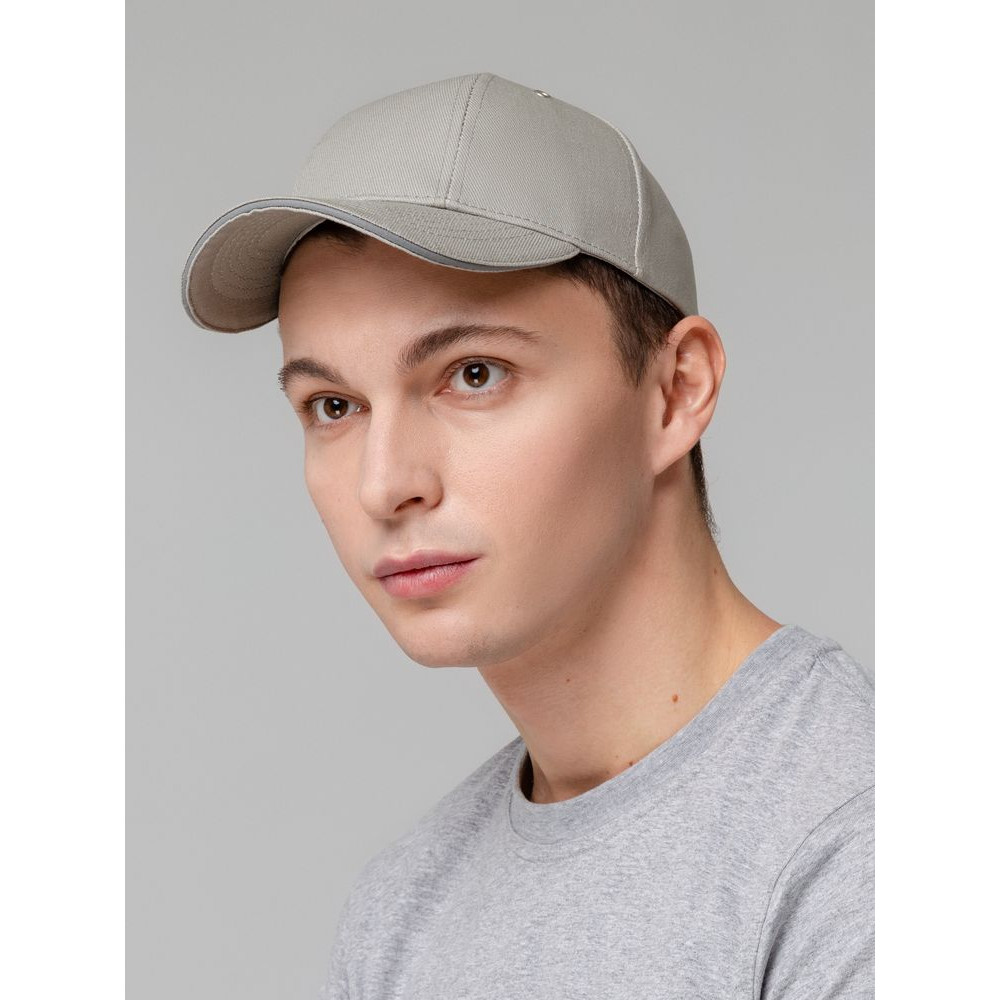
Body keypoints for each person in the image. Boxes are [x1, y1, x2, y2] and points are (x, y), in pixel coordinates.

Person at [182, 72, 873, 999]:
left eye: (474, 374)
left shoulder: (861, 844)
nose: (386, 484)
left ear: (677, 391)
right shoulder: (402, 912)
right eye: (333, 405)